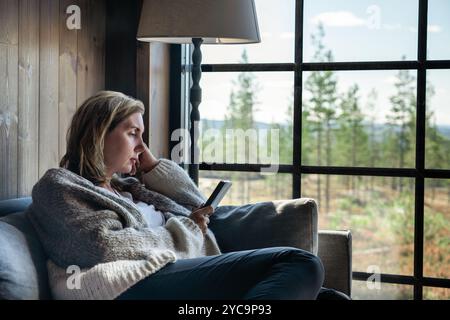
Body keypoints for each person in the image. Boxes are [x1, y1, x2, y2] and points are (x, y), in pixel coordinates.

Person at [26, 91, 349, 300]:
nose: (141, 145)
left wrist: (149, 166)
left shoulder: (126, 186)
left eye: (143, 135)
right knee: (299, 263)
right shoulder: (59, 186)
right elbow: (103, 246)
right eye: (133, 133)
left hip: (179, 270)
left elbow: (197, 204)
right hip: (130, 284)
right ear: (98, 134)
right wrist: (186, 230)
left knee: (330, 299)